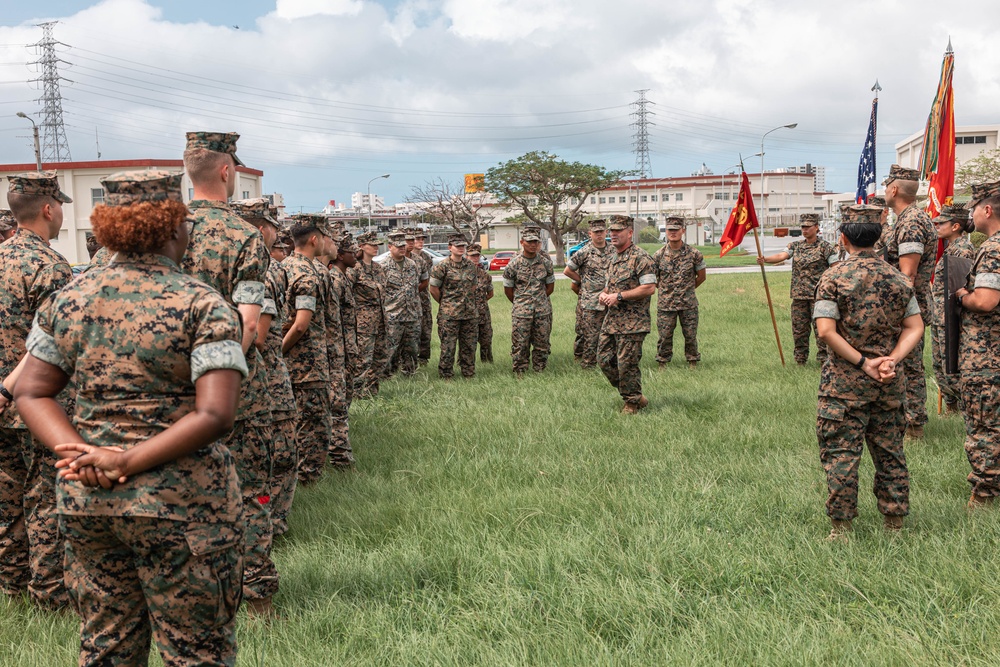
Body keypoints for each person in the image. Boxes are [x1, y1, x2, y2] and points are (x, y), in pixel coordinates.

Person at [15, 170, 246, 665]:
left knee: (107, 645)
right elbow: (216, 413)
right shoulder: (202, 304)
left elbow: (31, 393)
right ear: (171, 227)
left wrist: (79, 455)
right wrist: (128, 460)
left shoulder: (67, 302)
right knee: (195, 652)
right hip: (182, 507)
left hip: (88, 501)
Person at [181, 131, 277, 614]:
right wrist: (218, 383)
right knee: (251, 491)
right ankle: (255, 596)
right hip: (233, 392)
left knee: (182, 491)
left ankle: (190, 596)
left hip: (170, 392)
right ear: (226, 171)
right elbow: (248, 322)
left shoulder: (164, 228)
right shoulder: (243, 236)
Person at [813, 204, 925, 540]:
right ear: (878, 238)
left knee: (842, 456)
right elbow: (915, 327)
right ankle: (894, 525)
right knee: (890, 452)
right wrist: (890, 359)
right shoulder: (898, 278)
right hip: (888, 384)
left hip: (843, 387)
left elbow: (825, 331)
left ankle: (841, 530)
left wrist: (864, 363)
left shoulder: (833, 277)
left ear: (843, 238)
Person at [0, 171, 73, 609]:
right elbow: (49, 342)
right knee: (45, 496)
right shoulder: (49, 266)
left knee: (6, 493)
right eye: (60, 204)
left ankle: (11, 584)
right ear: (48, 209)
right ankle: (49, 594)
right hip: (35, 400)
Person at [232, 199, 298, 536]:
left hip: (227, 381)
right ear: (261, 229)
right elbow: (258, 334)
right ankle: (270, 525)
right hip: (266, 378)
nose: (277, 233)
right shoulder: (266, 269)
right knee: (279, 454)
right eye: (273, 226)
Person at [954, 180, 1000, 508]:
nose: (970, 213)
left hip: (987, 356)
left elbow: (985, 301)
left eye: (973, 207)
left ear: (987, 209)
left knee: (984, 422)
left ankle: (985, 494)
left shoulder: (994, 248)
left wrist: (961, 294)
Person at [883, 164, 937, 439]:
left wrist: (894, 311)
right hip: (908, 307)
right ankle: (906, 421)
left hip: (907, 309)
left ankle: (913, 425)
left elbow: (908, 273)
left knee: (909, 366)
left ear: (894, 189)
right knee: (905, 365)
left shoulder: (912, 221)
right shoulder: (909, 218)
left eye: (885, 186)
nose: (884, 190)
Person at [282, 216, 335, 485]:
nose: (327, 241)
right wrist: (279, 351)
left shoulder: (285, 266)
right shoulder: (307, 274)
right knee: (314, 426)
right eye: (325, 236)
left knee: (293, 420)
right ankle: (306, 481)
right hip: (307, 364)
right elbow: (301, 324)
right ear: (314, 239)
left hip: (292, 362)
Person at [758, 213, 839, 365]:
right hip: (799, 296)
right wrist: (766, 259)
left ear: (816, 227)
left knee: (821, 330)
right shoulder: (795, 246)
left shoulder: (825, 247)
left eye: (808, 227)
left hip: (819, 297)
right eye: (803, 227)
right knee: (799, 330)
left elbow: (836, 268)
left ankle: (824, 360)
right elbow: (782, 255)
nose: (805, 230)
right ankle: (800, 360)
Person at [597, 215, 656, 413]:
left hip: (633, 323)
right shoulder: (612, 257)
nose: (613, 234)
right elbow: (611, 286)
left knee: (627, 364)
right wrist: (604, 295)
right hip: (612, 320)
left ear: (630, 233)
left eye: (618, 231)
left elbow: (648, 288)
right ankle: (636, 396)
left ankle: (631, 403)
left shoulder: (641, 257)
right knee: (604, 360)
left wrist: (619, 296)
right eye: (611, 231)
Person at [929, 204, 976, 416]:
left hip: (952, 316)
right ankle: (952, 407)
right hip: (940, 315)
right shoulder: (950, 249)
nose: (937, 226)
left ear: (956, 225)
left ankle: (963, 408)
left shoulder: (963, 250)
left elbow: (962, 286)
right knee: (940, 363)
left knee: (952, 363)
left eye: (942, 223)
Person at [653, 217, 707, 369]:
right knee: (664, 336)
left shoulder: (694, 254)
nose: (673, 233)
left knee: (690, 335)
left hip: (688, 303)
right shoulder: (658, 255)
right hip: (666, 304)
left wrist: (687, 289)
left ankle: (692, 361)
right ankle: (662, 362)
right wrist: (666, 291)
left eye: (676, 230)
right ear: (666, 231)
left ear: (683, 231)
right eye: (670, 230)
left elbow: (701, 277)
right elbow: (654, 278)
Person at [503, 226, 555, 376]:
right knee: (520, 343)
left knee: (542, 343)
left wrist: (539, 301)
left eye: (536, 242)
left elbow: (550, 287)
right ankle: (520, 371)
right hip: (521, 312)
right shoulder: (513, 264)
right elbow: (508, 290)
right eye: (529, 241)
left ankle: (540, 370)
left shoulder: (545, 263)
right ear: (522, 242)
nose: (533, 244)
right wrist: (521, 303)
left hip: (542, 311)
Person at [429, 233, 479, 379]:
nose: (461, 248)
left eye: (463, 246)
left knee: (469, 346)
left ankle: (468, 373)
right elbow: (433, 289)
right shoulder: (442, 267)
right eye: (457, 246)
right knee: (448, 347)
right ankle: (446, 375)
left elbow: (473, 286)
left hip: (469, 313)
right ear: (450, 247)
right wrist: (447, 303)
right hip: (449, 315)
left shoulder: (470, 265)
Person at [564, 219, 611, 369]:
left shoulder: (614, 250)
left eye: (601, 232)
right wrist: (583, 281)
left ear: (606, 232)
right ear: (590, 234)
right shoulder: (583, 252)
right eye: (595, 232)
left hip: (611, 299)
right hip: (591, 301)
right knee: (590, 336)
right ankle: (588, 366)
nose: (599, 235)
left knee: (610, 333)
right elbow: (568, 270)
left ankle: (609, 363)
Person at [329, 231, 358, 468]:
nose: (356, 255)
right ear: (340, 255)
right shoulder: (335, 280)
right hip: (337, 348)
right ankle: (337, 455)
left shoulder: (344, 277)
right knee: (337, 403)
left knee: (345, 398)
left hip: (347, 347)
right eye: (351, 252)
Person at [347, 231, 389, 396]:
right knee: (363, 359)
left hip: (380, 319)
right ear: (362, 246)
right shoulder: (354, 269)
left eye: (377, 244)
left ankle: (371, 391)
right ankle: (356, 392)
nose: (376, 247)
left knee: (379, 357)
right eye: (372, 245)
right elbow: (347, 295)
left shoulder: (378, 268)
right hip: (362, 322)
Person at [379, 231, 421, 378]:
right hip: (392, 314)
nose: (402, 249)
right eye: (398, 246)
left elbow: (417, 288)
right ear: (390, 246)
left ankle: (410, 374)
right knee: (390, 349)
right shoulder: (383, 266)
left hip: (412, 314)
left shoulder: (412, 265)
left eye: (403, 246)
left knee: (412, 348)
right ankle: (386, 376)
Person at [467, 242, 495, 362]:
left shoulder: (485, 276)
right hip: (467, 313)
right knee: (467, 342)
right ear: (466, 256)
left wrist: (480, 302)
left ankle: (487, 362)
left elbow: (490, 293)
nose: (475, 258)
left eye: (477, 255)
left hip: (483, 313)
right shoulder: (462, 274)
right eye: (472, 255)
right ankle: (465, 363)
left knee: (486, 339)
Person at [413, 228, 435, 365]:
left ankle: (423, 359)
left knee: (426, 330)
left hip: (423, 298)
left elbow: (428, 280)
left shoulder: (426, 257)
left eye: (422, 239)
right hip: (407, 300)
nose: (420, 242)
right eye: (417, 239)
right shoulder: (406, 256)